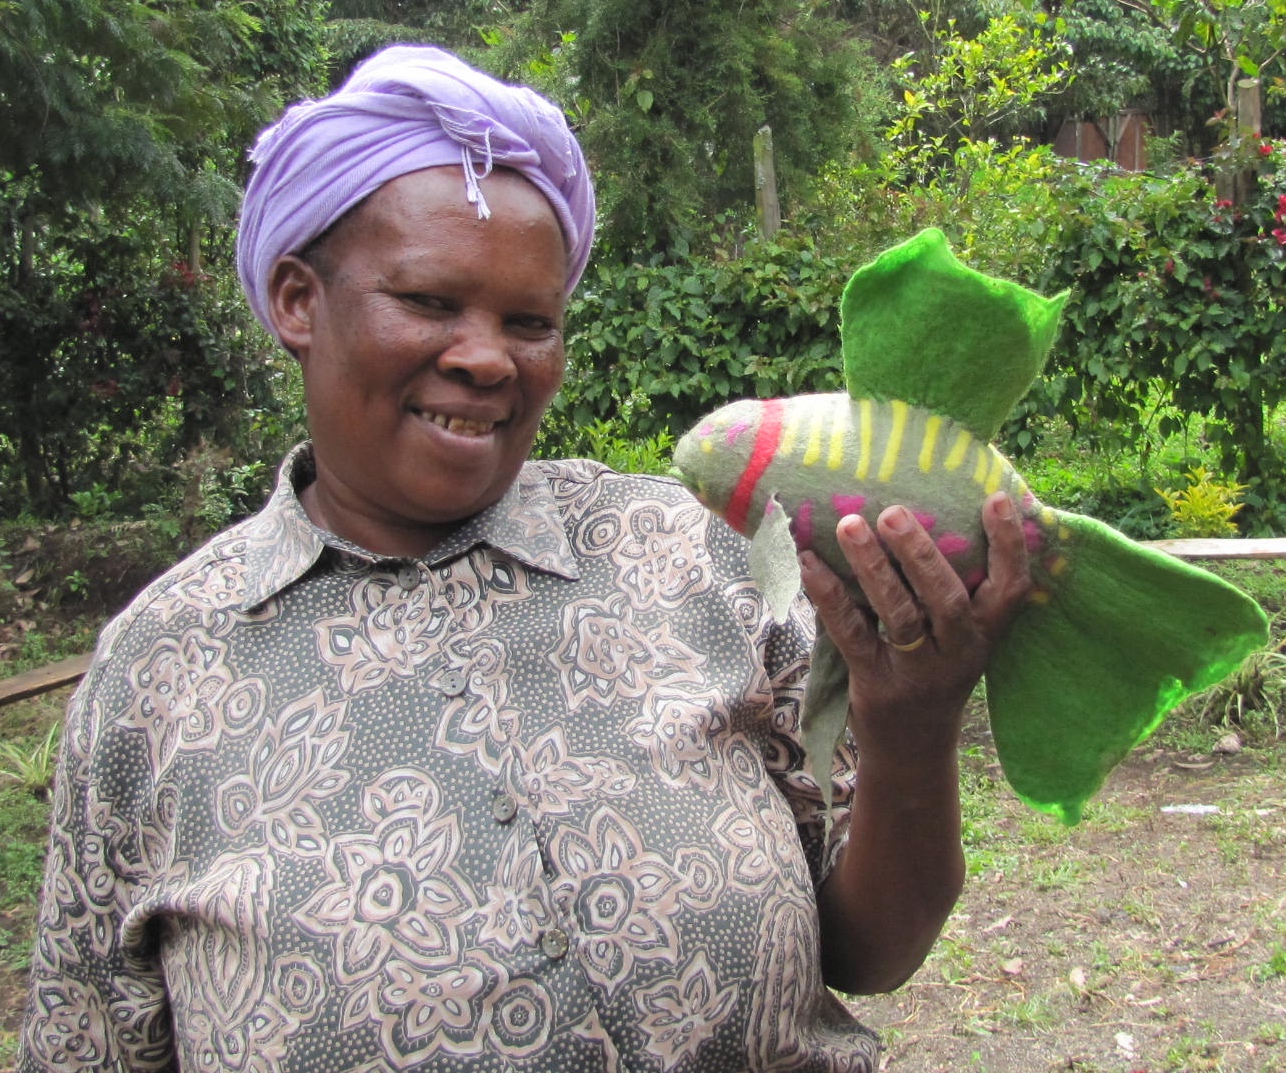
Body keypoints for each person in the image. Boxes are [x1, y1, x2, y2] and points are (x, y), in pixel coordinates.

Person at [18, 45, 1032, 1073]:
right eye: (426, 301)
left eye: (528, 320)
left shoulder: (704, 559)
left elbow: (872, 947)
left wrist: (909, 725)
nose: (486, 355)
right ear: (295, 300)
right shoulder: (158, 670)